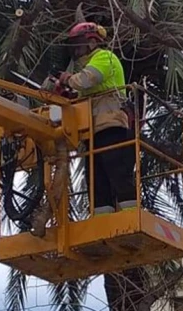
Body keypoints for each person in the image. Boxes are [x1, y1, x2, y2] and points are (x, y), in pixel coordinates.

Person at [56, 22, 136, 214]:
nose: (76, 50)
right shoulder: (90, 65)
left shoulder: (104, 57)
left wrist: (67, 79)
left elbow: (86, 80)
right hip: (93, 131)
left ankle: (131, 215)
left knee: (117, 171)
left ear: (92, 42)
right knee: (96, 179)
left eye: (79, 44)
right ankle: (102, 218)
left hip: (111, 125)